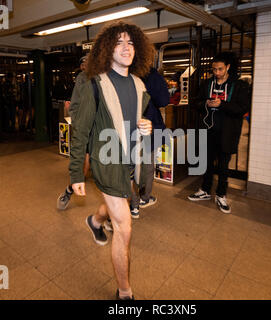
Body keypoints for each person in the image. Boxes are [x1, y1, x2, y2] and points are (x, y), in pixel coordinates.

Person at [69, 22, 154, 300]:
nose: (126, 48)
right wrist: (76, 174)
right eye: (119, 43)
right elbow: (80, 130)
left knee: (118, 201)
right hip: (106, 161)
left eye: (130, 43)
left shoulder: (139, 84)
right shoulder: (95, 84)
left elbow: (132, 121)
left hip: (130, 160)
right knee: (124, 227)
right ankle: (125, 292)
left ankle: (95, 220)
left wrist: (146, 126)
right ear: (107, 49)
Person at [188, 52, 250, 213]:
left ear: (228, 67)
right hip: (208, 130)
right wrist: (206, 103)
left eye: (220, 69)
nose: (217, 72)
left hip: (227, 132)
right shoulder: (207, 84)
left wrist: (222, 104)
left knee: (223, 165)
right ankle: (205, 190)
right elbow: (195, 102)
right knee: (207, 163)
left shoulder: (239, 85)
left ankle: (221, 194)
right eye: (214, 69)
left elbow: (242, 108)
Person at [130, 67, 169, 217]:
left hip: (127, 127)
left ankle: (132, 203)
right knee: (146, 167)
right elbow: (164, 100)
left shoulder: (122, 74)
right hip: (149, 125)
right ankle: (143, 199)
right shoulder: (151, 76)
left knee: (129, 167)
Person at [57, 54, 92, 210]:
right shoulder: (82, 78)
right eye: (83, 62)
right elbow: (75, 106)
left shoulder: (107, 77)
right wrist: (79, 125)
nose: (85, 65)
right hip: (85, 129)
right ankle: (69, 190)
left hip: (102, 132)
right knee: (83, 167)